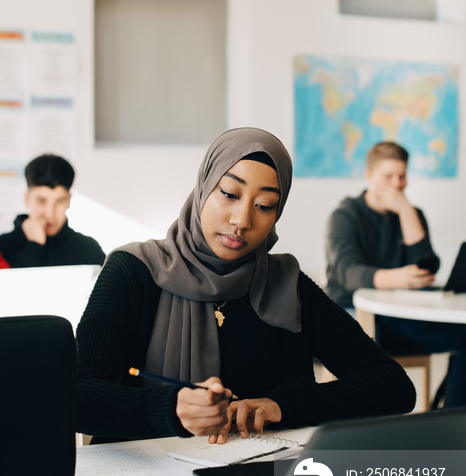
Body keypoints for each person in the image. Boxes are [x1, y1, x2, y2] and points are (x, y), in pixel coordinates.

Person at [76, 128, 415, 444]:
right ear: (204, 186)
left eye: (264, 206)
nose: (242, 220)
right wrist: (171, 408)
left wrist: (283, 406)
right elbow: (76, 397)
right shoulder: (135, 270)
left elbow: (393, 385)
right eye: (229, 194)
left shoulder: (287, 283)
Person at [325, 141, 466, 408]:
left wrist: (404, 210)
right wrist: (399, 278)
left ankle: (453, 421)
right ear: (369, 177)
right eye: (388, 177)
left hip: (401, 316)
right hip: (355, 315)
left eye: (402, 176)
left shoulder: (412, 214)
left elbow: (426, 265)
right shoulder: (345, 216)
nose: (397, 184)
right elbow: (349, 274)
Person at [0, 154, 105, 268]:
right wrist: (35, 245)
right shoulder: (3, 246)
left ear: (68, 201)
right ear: (27, 199)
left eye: (59, 201)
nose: (50, 214)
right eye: (42, 201)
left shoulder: (89, 249)